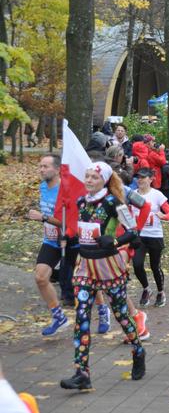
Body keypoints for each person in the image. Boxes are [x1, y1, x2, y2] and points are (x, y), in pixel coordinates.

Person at [60, 162, 145, 390]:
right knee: (82, 316)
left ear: (104, 180)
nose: (88, 180)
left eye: (93, 178)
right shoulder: (81, 202)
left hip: (108, 265)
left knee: (120, 313)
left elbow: (134, 233)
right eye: (86, 176)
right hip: (85, 264)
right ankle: (82, 372)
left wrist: (115, 241)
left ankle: (138, 349)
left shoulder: (113, 203)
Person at [28, 154, 79, 335]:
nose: (42, 170)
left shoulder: (66, 190)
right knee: (41, 278)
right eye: (40, 166)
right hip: (51, 240)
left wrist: (42, 217)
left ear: (57, 169)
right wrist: (45, 220)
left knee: (88, 280)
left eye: (46, 166)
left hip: (70, 239)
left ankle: (104, 311)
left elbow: (70, 222)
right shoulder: (43, 186)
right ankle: (59, 317)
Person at [131, 168, 169, 307]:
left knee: (155, 266)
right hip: (139, 236)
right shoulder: (132, 195)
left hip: (155, 235)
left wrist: (165, 216)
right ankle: (146, 289)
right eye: (138, 177)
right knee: (137, 265)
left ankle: (161, 292)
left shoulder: (157, 194)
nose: (140, 180)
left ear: (151, 179)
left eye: (143, 177)